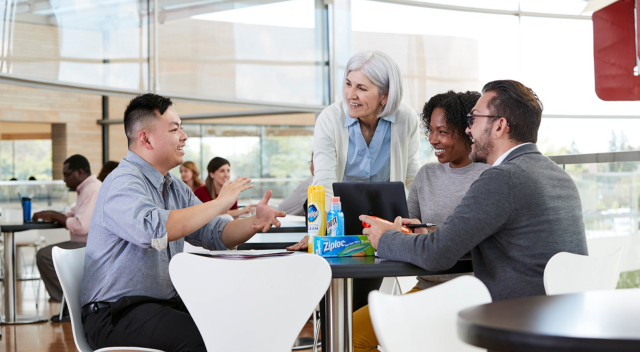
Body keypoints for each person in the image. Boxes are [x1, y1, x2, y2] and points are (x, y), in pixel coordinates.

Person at [81, 93, 285, 352]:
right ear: (146, 138)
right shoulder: (122, 182)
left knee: (235, 323)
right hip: (115, 313)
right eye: (175, 129)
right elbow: (155, 230)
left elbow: (214, 233)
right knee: (205, 340)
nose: (184, 136)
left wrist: (254, 222)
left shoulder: (174, 186)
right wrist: (220, 204)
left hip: (161, 304)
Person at [362, 80, 589, 302]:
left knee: (365, 327)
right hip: (561, 319)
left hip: (517, 321)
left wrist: (385, 237)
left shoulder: (502, 179)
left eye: (473, 119)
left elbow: (437, 255)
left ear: (499, 126)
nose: (468, 129)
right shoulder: (559, 176)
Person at [351, 90, 489, 351]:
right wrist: (402, 229)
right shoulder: (426, 176)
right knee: (349, 332)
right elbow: (408, 230)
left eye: (443, 132)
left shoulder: (490, 177)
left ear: (467, 130)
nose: (433, 139)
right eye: (431, 130)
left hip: (469, 296)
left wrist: (430, 235)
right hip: (425, 289)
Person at [312, 50, 421, 205]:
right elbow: (324, 183)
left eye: (361, 88)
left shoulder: (406, 118)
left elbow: (412, 177)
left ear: (385, 96)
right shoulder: (329, 119)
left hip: (388, 218)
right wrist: (337, 222)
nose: (350, 95)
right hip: (339, 215)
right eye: (348, 84)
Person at [33, 154, 102, 322]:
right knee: (47, 254)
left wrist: (55, 216)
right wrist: (56, 215)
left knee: (45, 256)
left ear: (79, 172)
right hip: (82, 243)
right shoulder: (87, 188)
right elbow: (77, 214)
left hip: (90, 245)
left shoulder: (92, 189)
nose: (64, 179)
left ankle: (72, 303)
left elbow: (81, 226)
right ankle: (70, 304)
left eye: (66, 174)